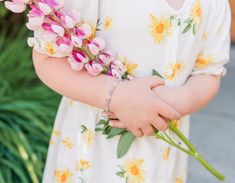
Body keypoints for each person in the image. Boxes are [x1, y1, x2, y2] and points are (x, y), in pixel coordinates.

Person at [31, 0, 231, 182]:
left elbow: (209, 72)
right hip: (93, 156)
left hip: (163, 155)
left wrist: (175, 102)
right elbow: (48, 60)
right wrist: (115, 95)